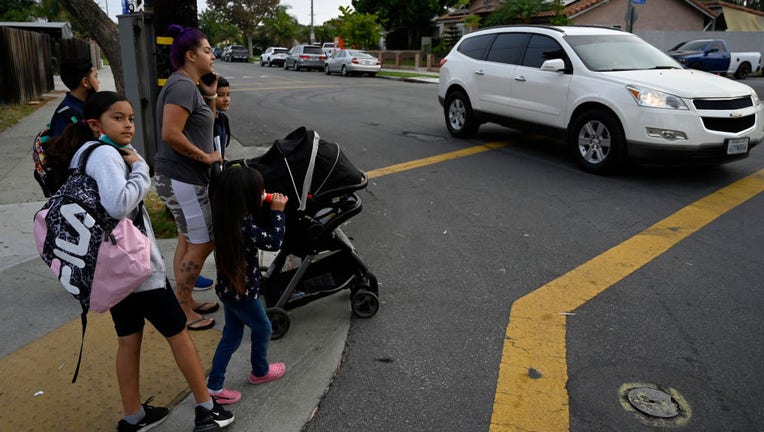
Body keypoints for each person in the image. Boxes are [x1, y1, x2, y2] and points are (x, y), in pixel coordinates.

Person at [59, 91, 234, 431]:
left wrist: (133, 162)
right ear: (96, 124)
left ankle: (134, 416)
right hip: (137, 270)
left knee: (128, 339)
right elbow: (117, 204)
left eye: (130, 118)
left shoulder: (83, 155)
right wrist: (141, 170)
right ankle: (206, 409)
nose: (128, 124)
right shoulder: (107, 156)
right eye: (118, 118)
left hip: (112, 270)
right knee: (179, 333)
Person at [154, 25, 222, 330]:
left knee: (187, 238)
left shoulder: (188, 86)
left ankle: (185, 300)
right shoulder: (181, 87)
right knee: (203, 242)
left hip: (182, 178)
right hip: (183, 179)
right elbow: (170, 134)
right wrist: (206, 157)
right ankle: (182, 309)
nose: (213, 55)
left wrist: (208, 97)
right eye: (207, 50)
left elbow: (200, 126)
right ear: (190, 55)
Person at [206, 164, 288, 405]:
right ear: (244, 198)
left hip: (229, 290)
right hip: (242, 294)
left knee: (231, 336)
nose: (263, 192)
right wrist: (278, 211)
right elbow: (274, 242)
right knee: (262, 328)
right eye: (258, 190)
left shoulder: (227, 216)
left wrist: (261, 199)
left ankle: (214, 385)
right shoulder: (244, 225)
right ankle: (259, 372)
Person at [49, 58, 100, 137]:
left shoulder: (92, 104)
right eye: (95, 77)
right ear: (85, 82)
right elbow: (60, 147)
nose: (98, 81)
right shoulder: (64, 116)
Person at [213, 77, 232, 160]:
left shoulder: (223, 119)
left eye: (228, 95)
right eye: (220, 95)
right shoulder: (207, 122)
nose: (226, 99)